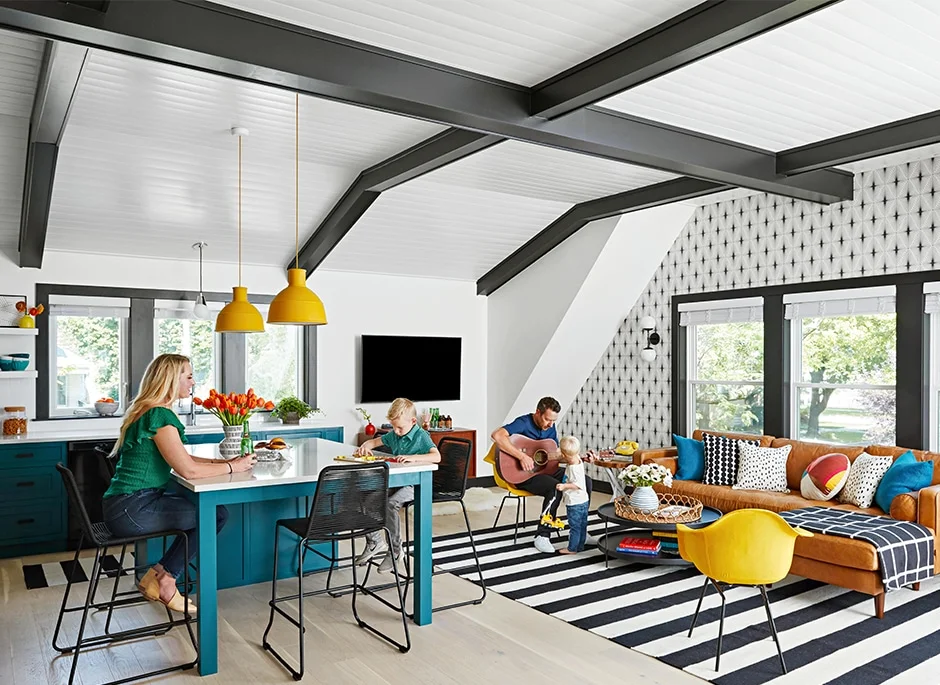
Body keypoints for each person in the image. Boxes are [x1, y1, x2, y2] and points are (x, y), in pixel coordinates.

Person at [102, 354, 256, 613]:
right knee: (215, 515)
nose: (193, 382)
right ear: (171, 379)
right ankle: (167, 579)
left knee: (214, 513)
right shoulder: (159, 415)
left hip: (126, 505)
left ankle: (159, 575)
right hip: (133, 508)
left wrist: (224, 463)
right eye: (189, 376)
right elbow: (186, 469)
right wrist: (233, 467)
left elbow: (181, 457)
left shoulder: (148, 411)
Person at [491, 396, 593, 554]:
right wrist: (522, 456)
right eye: (547, 419)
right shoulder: (523, 422)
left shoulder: (550, 427)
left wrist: (578, 458)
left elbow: (556, 454)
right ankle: (542, 535)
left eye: (553, 421)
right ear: (538, 412)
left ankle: (581, 532)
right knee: (554, 488)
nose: (550, 424)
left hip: (545, 471)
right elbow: (497, 436)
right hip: (522, 475)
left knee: (585, 481)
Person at [353, 398, 441, 572]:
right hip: (398, 480)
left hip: (417, 485)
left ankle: (395, 551)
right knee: (365, 497)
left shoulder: (420, 435)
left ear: (413, 421)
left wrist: (413, 458)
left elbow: (436, 457)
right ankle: (375, 541)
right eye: (393, 427)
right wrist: (365, 446)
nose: (396, 431)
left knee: (391, 503)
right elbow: (373, 442)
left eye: (400, 427)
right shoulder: (394, 434)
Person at [556, 436, 589, 555]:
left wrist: (564, 486)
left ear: (564, 455)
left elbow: (577, 484)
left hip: (575, 502)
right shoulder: (578, 459)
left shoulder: (574, 469)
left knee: (574, 527)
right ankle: (580, 546)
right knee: (582, 525)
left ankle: (572, 548)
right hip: (583, 500)